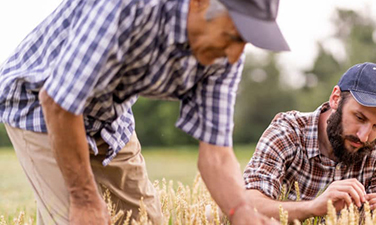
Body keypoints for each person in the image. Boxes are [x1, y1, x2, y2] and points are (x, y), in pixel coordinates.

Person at [0, 0, 289, 224]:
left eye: (244, 42)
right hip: (40, 102)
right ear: (200, 3)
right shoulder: (127, 8)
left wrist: (241, 212)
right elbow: (59, 103)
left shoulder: (223, 55)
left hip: (109, 112)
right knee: (77, 217)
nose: (235, 55)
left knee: (144, 220)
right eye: (233, 35)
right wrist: (85, 199)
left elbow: (216, 154)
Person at [243, 62, 376, 224]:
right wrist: (313, 207)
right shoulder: (287, 133)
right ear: (335, 99)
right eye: (359, 118)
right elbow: (246, 205)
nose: (364, 137)